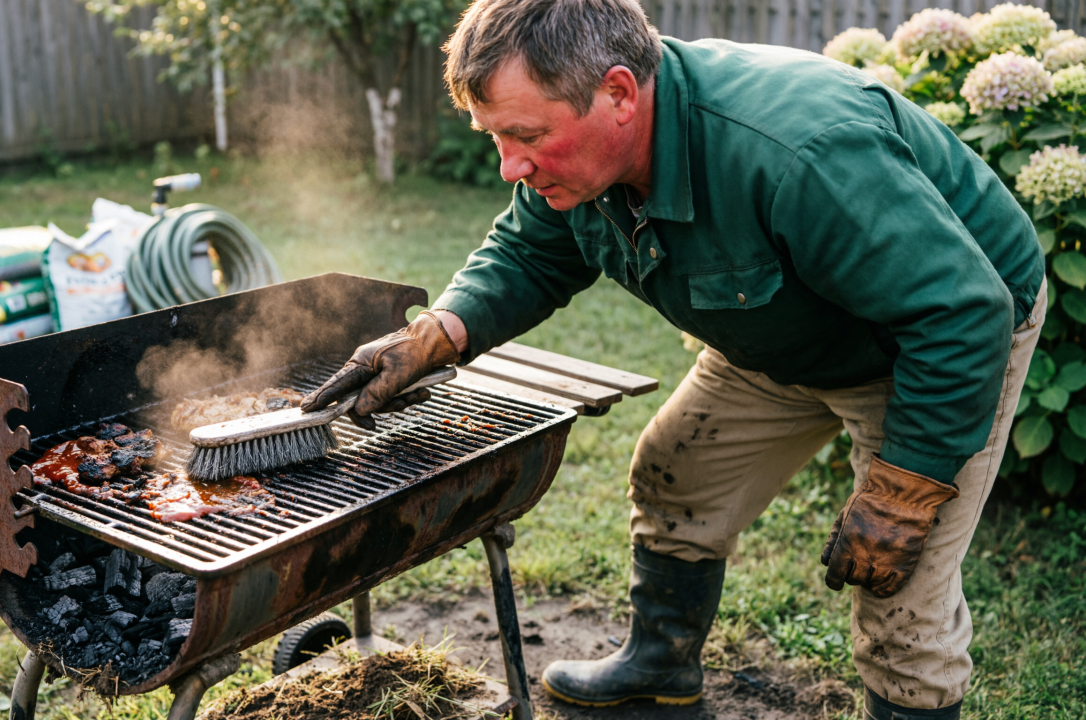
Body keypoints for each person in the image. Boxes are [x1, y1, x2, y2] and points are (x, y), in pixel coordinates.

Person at [302, 1, 1046, 717]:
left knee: (900, 599)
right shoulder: (579, 162)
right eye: (493, 136)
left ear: (618, 94)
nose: (508, 166)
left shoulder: (795, 150)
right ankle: (661, 664)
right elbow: (530, 251)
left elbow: (958, 310)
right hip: (780, 329)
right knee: (674, 474)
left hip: (928, 345)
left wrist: (903, 489)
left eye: (525, 134)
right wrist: (438, 334)